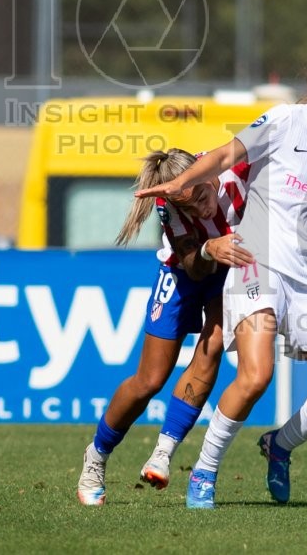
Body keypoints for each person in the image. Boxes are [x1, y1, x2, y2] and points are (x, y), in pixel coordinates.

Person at [135, 46, 307, 509]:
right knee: (256, 376)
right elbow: (225, 155)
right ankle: (204, 473)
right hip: (257, 264)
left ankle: (279, 445)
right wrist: (181, 183)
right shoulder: (283, 120)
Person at [76, 148, 255, 506]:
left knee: (213, 344)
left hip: (233, 269)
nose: (200, 210)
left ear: (205, 172)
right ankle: (95, 456)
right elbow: (193, 266)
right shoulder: (168, 203)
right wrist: (208, 249)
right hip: (185, 269)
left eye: (201, 197)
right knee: (149, 380)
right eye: (189, 207)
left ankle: (163, 452)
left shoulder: (238, 169)